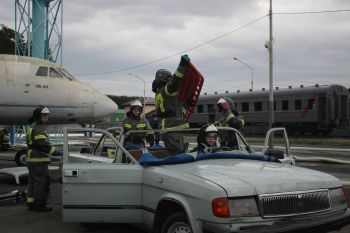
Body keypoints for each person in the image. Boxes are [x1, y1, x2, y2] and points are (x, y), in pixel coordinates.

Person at [152, 55, 191, 155]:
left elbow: (177, 111)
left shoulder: (167, 96)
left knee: (180, 155)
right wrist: (182, 65)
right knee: (177, 156)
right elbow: (175, 82)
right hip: (172, 128)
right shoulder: (165, 91)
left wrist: (187, 105)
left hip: (174, 129)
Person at [26, 106, 63, 212]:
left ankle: (31, 203)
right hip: (38, 159)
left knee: (33, 181)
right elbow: (43, 144)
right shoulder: (38, 127)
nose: (46, 118)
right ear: (38, 116)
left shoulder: (32, 126)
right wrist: (56, 152)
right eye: (44, 116)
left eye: (47, 116)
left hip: (31, 158)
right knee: (42, 182)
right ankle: (39, 205)